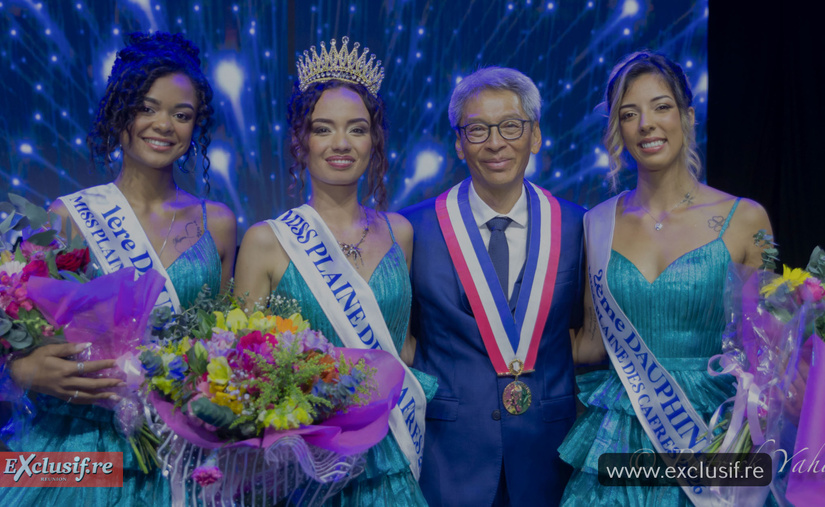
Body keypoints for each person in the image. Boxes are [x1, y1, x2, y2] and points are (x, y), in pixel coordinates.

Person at [0, 31, 236, 506]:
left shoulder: (217, 223)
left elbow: (219, 339)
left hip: (178, 445)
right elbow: (7, 338)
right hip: (80, 440)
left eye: (182, 115)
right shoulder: (68, 216)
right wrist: (25, 368)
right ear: (121, 112)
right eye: (147, 107)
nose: (164, 125)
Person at [561, 51, 773, 505]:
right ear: (618, 129)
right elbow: (594, 342)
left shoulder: (745, 218)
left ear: (687, 116)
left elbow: (767, 352)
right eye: (629, 114)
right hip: (620, 430)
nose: (646, 124)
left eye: (661, 107)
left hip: (714, 429)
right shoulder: (595, 224)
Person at [234, 37, 435, 506]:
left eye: (357, 130)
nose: (341, 144)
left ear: (374, 140)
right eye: (323, 129)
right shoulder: (267, 240)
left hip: (391, 450)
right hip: (302, 461)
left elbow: (401, 345)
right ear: (301, 141)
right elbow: (244, 365)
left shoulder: (400, 232)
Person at [402, 67, 585, 507]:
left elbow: (589, 334)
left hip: (551, 452)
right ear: (459, 143)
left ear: (535, 136)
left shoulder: (580, 225)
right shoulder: (413, 227)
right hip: (448, 456)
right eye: (478, 129)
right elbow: (402, 338)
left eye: (511, 126)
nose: (496, 142)